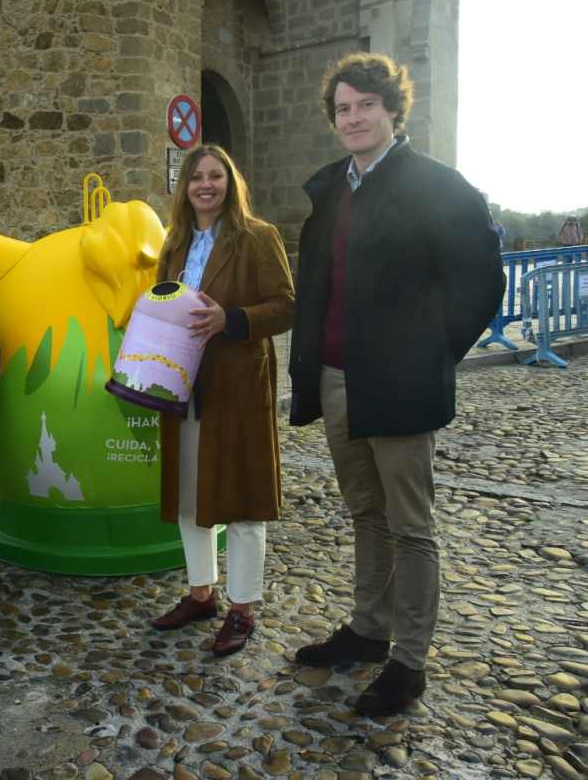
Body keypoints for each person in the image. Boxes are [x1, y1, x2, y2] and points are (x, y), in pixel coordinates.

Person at [288, 53, 504, 716]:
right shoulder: (331, 192)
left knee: (411, 526)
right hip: (334, 377)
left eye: (365, 106)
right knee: (365, 513)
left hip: (399, 384)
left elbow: (480, 283)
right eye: (343, 108)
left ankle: (409, 661)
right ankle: (367, 630)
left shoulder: (438, 187)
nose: (353, 118)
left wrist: (429, 353)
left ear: (391, 111)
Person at [149, 145, 295, 657]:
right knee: (191, 496)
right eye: (196, 177)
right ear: (184, 187)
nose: (206, 185)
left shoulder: (258, 237)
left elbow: (285, 306)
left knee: (241, 499)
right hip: (182, 384)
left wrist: (229, 320)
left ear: (231, 184)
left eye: (216, 176)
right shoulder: (174, 245)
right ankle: (200, 593)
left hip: (236, 386)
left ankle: (243, 608)